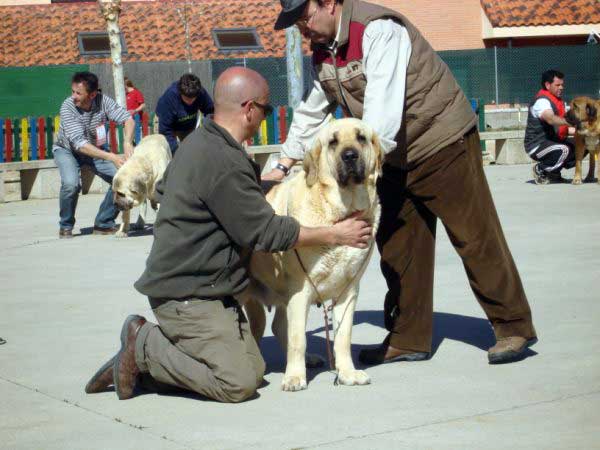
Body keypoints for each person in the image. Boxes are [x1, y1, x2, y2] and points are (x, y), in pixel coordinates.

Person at [266, 0, 538, 365]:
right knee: (398, 248)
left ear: (329, 4)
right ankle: (409, 338)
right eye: (296, 24)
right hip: (389, 156)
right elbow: (312, 112)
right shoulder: (324, 53)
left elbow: (382, 108)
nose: (303, 30)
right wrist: (282, 164)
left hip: (442, 142)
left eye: (304, 18)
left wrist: (365, 166)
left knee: (475, 238)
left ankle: (513, 327)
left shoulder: (378, 29)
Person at [84, 67, 372, 403]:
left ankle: (158, 357)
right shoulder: (222, 159)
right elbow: (266, 232)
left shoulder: (201, 143)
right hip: (188, 293)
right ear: (250, 109)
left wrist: (243, 193)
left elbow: (166, 189)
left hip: (207, 288)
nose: (265, 117)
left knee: (255, 368)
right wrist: (334, 234)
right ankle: (144, 344)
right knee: (236, 383)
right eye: (265, 110)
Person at [53, 71, 134, 239]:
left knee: (122, 180)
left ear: (92, 94)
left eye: (78, 93)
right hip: (67, 150)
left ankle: (103, 223)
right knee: (71, 184)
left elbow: (128, 119)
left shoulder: (103, 101)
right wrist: (112, 156)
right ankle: (66, 225)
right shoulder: (68, 107)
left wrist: (127, 142)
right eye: (73, 91)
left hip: (95, 150)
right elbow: (79, 144)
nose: (73, 96)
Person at [524, 69, 576, 185]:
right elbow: (550, 119)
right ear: (547, 85)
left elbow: (563, 127)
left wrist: (583, 131)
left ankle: (554, 174)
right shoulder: (542, 101)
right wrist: (570, 122)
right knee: (563, 149)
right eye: (557, 85)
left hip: (551, 141)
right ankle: (541, 169)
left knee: (581, 141)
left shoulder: (557, 101)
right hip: (536, 145)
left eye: (562, 85)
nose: (561, 87)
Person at [155, 73, 215, 154]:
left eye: (193, 99)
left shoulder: (200, 92)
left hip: (188, 124)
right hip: (166, 125)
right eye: (187, 98)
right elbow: (165, 131)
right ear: (180, 92)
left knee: (192, 151)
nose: (190, 102)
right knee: (166, 152)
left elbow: (211, 111)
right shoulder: (168, 98)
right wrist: (175, 152)